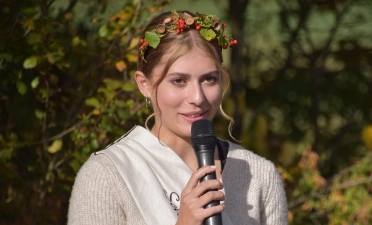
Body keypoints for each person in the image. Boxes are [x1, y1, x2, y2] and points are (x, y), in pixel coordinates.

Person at [67, 10, 288, 225]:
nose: (197, 97)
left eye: (209, 79)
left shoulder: (259, 175)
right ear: (145, 85)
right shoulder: (107, 175)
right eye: (179, 80)